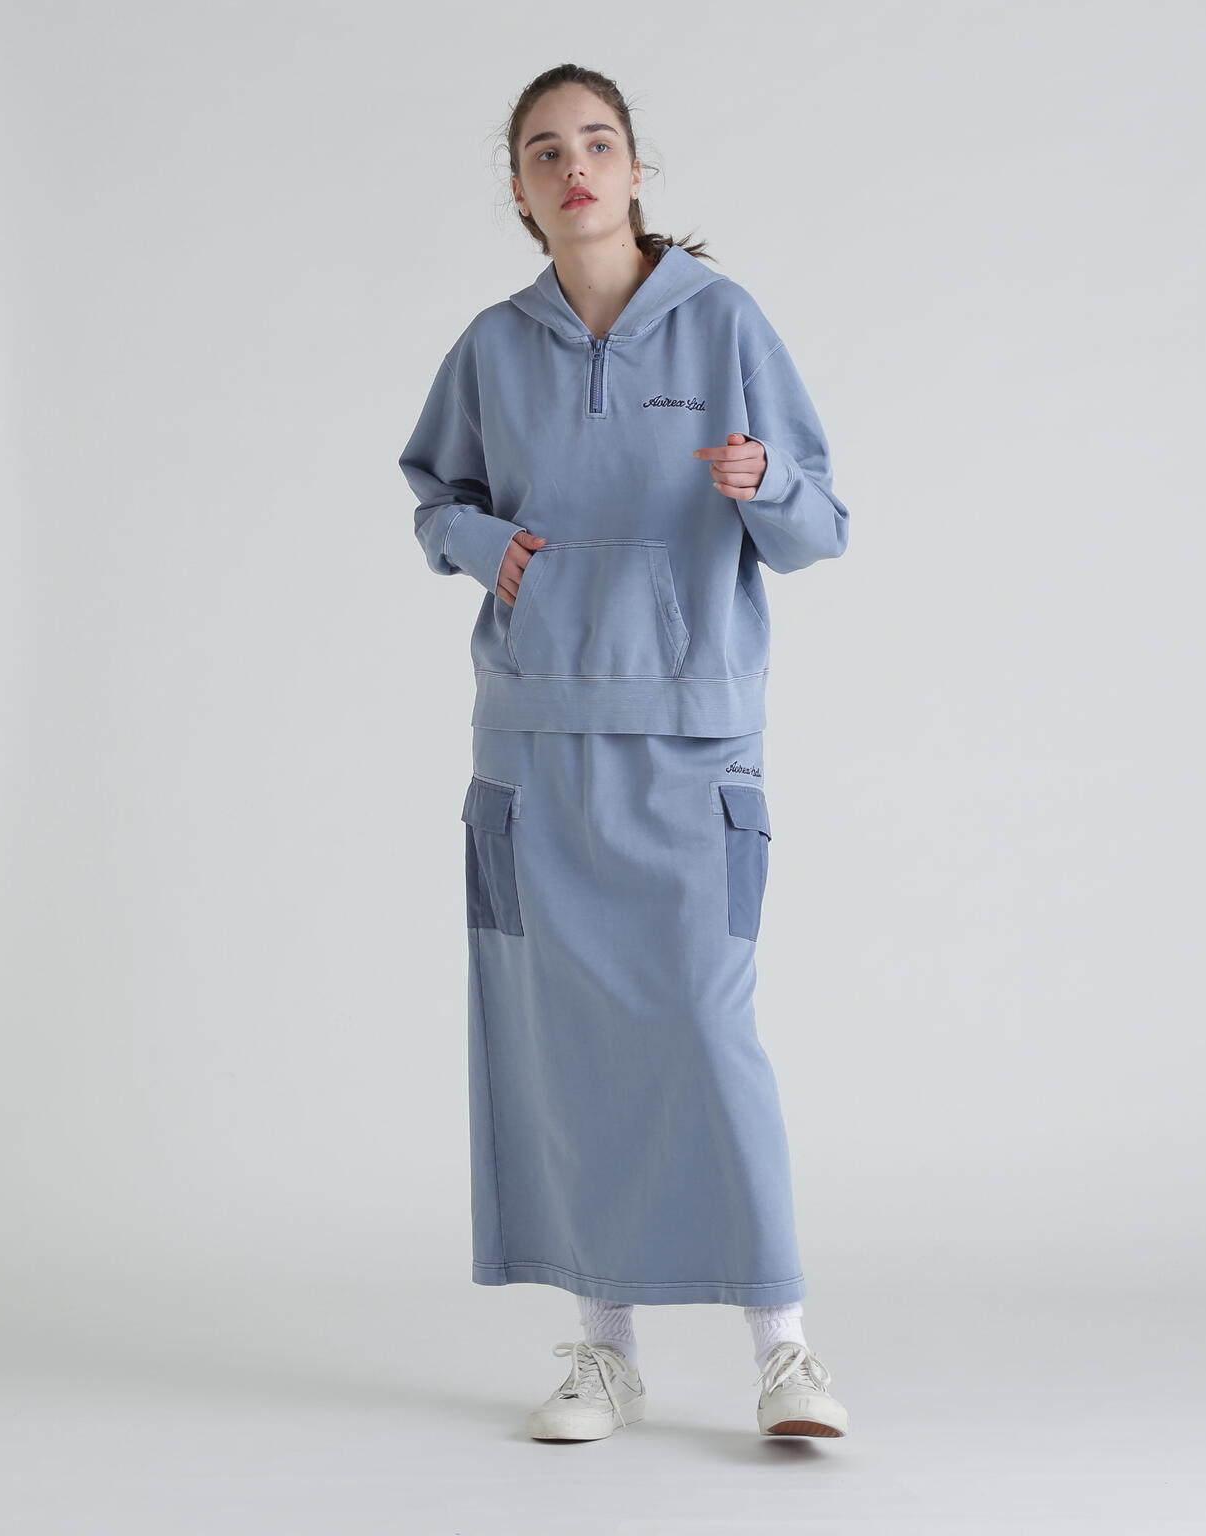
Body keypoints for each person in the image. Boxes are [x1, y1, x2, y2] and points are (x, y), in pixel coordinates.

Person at [399, 63, 854, 1444]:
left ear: (637, 170)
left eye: (597, 143)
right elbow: (433, 497)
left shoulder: (723, 322)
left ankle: (784, 1348)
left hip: (691, 739)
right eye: (545, 152)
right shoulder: (493, 346)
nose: (575, 167)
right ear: (520, 190)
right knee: (564, 1045)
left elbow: (821, 527)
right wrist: (488, 546)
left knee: (707, 1030)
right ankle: (605, 1350)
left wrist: (766, 483)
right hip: (533, 747)